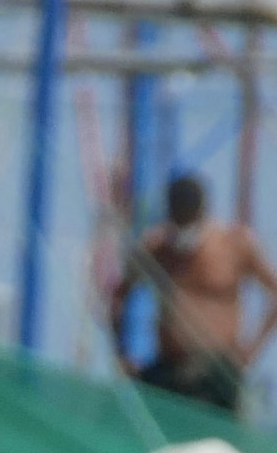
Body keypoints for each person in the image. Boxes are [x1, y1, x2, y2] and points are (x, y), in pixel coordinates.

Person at [116, 170, 277, 412]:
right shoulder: (156, 248)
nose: (183, 228)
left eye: (189, 220)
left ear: (201, 213)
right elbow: (118, 297)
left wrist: (251, 351)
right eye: (178, 220)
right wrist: (124, 353)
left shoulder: (234, 244)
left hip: (217, 375)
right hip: (166, 370)